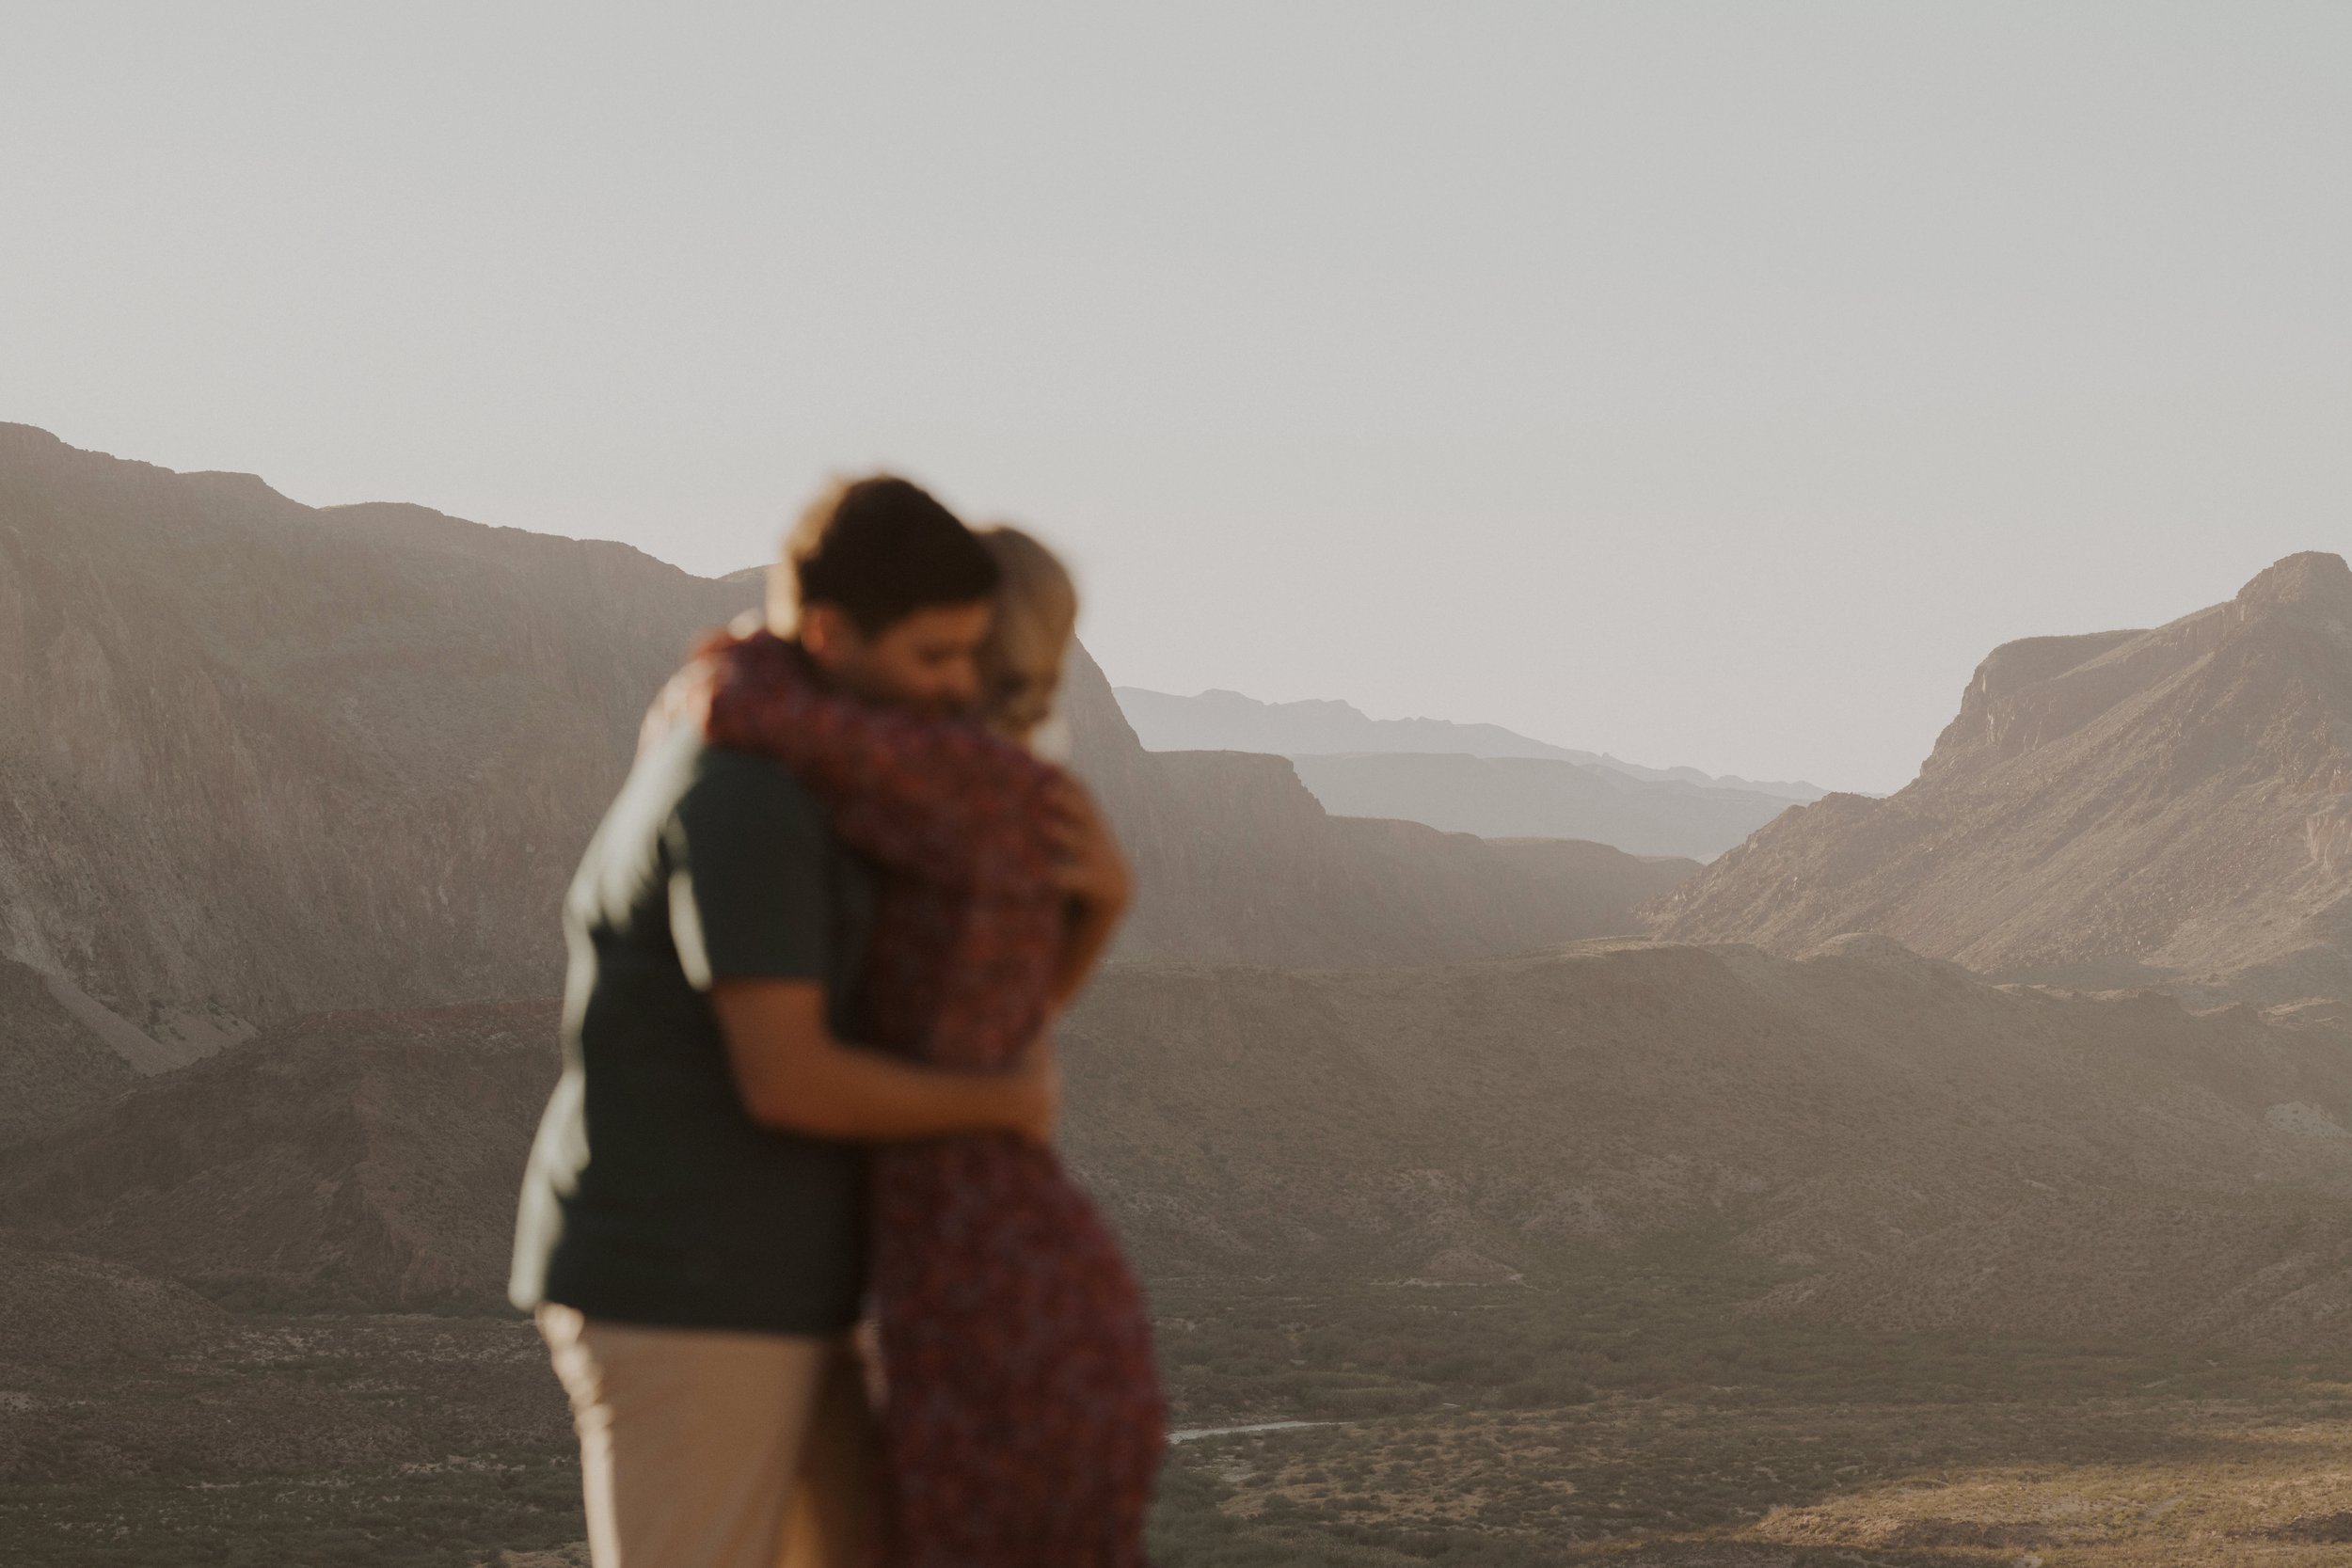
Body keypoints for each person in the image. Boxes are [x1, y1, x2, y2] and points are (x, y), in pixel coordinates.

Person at [508, 477, 1066, 1568]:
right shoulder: (747, 795)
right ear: (828, 632)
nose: (958, 689)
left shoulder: (785, 759)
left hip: (774, 1283)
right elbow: (789, 1075)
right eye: (933, 657)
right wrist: (1004, 1103)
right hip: (689, 1290)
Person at [664, 523, 1164, 1566]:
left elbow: (755, 707)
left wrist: (738, 653)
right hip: (1048, 1295)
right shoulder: (1023, 797)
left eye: (943, 646)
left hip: (970, 1297)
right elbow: (990, 1043)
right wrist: (1102, 911)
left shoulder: (939, 787)